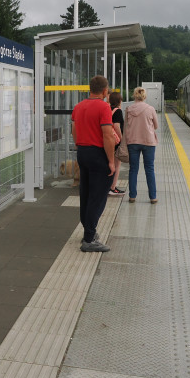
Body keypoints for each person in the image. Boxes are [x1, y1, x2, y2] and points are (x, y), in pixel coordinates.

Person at [71, 75, 116, 252]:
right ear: (105, 91)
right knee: (97, 197)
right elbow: (107, 135)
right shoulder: (104, 107)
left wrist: (79, 146)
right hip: (98, 154)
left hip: (82, 152)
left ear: (90, 89)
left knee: (86, 194)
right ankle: (89, 239)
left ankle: (88, 231)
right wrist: (111, 161)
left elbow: (74, 130)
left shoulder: (79, 106)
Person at [125, 87, 159, 204]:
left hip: (133, 142)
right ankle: (153, 197)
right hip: (148, 142)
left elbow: (126, 126)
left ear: (134, 95)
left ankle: (132, 196)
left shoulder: (128, 109)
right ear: (144, 96)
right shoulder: (150, 109)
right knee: (149, 169)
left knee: (133, 169)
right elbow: (156, 126)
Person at [108, 91, 125, 196]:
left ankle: (107, 186)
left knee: (110, 164)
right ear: (119, 101)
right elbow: (117, 126)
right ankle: (112, 187)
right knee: (117, 165)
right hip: (116, 141)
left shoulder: (107, 109)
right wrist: (122, 139)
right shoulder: (118, 111)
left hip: (108, 140)